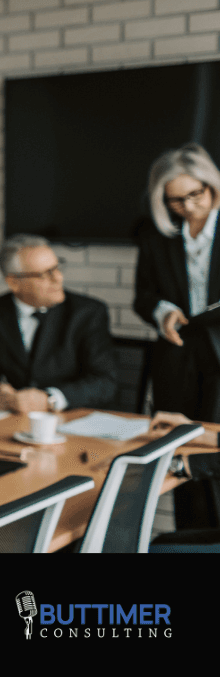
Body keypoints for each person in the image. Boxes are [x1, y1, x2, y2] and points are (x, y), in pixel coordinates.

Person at [134, 144, 220, 528]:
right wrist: (162, 312)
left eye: (194, 195)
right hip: (177, 354)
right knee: (181, 448)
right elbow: (143, 295)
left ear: (211, 185)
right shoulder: (157, 236)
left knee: (214, 451)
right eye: (175, 200)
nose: (187, 206)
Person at [0, 234, 117, 413]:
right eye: (44, 274)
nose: (58, 278)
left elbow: (105, 382)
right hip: (9, 421)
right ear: (14, 282)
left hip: (70, 421)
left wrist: (50, 399)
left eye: (57, 268)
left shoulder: (88, 313)